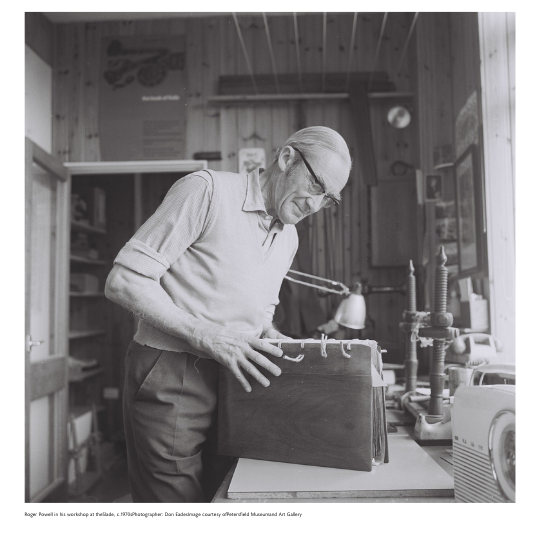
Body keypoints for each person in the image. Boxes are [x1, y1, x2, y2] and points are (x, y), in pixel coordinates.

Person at [104, 126, 352, 503]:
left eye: (329, 199)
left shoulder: (289, 236)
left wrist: (273, 334)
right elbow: (123, 281)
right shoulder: (206, 190)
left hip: (236, 376)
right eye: (316, 186)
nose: (315, 205)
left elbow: (259, 307)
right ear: (286, 158)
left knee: (226, 493)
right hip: (173, 370)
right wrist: (205, 334)